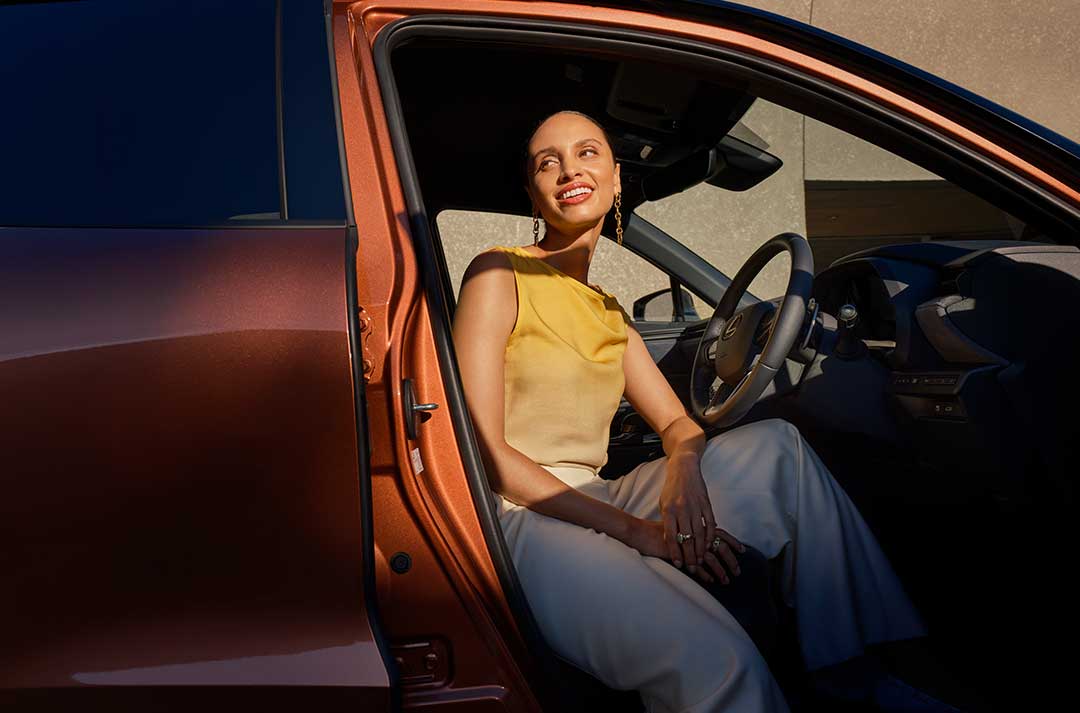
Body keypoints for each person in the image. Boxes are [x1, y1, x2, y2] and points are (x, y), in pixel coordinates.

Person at [451, 110, 952, 712]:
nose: (567, 170)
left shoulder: (607, 309)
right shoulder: (499, 271)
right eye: (547, 162)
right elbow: (488, 454)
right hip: (517, 518)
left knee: (780, 449)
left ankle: (851, 672)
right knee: (721, 665)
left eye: (586, 153)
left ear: (615, 179)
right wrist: (643, 534)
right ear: (533, 192)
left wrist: (682, 473)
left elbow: (677, 424)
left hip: (595, 495)